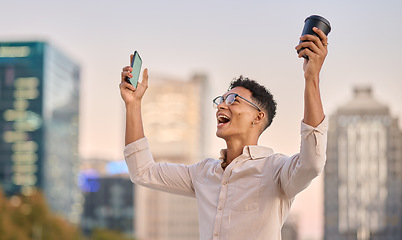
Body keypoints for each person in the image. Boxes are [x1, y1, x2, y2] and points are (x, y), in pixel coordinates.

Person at [120, 27, 329, 240]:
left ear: (257, 117)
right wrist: (133, 104)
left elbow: (311, 163)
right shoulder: (203, 173)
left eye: (232, 101)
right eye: (220, 101)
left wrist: (312, 78)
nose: (221, 106)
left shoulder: (276, 170)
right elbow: (142, 171)